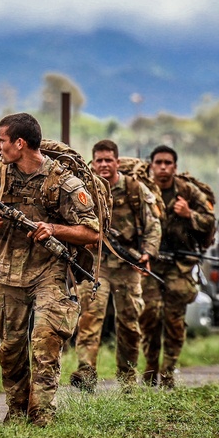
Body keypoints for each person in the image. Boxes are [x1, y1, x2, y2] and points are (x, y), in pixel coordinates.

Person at [0, 112, 99, 427]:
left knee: (45, 339)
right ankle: (17, 409)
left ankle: (42, 412)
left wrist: (52, 228)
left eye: (2, 140)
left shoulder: (63, 182)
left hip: (48, 272)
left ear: (19, 143)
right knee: (10, 347)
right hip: (7, 272)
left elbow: (92, 232)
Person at [70, 140, 161, 392]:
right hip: (95, 265)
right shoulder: (85, 188)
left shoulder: (134, 189)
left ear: (117, 162)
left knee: (130, 325)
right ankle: (86, 372)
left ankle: (127, 379)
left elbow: (153, 225)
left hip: (127, 267)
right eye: (98, 160)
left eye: (108, 160)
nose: (103, 165)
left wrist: (147, 254)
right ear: (93, 161)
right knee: (89, 318)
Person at [138, 144, 216, 389]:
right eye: (158, 162)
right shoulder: (142, 190)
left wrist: (188, 214)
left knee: (174, 320)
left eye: (168, 163)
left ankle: (169, 372)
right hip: (151, 263)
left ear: (175, 166)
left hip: (180, 265)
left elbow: (209, 221)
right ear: (151, 165)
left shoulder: (187, 191)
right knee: (149, 315)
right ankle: (150, 370)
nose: (163, 167)